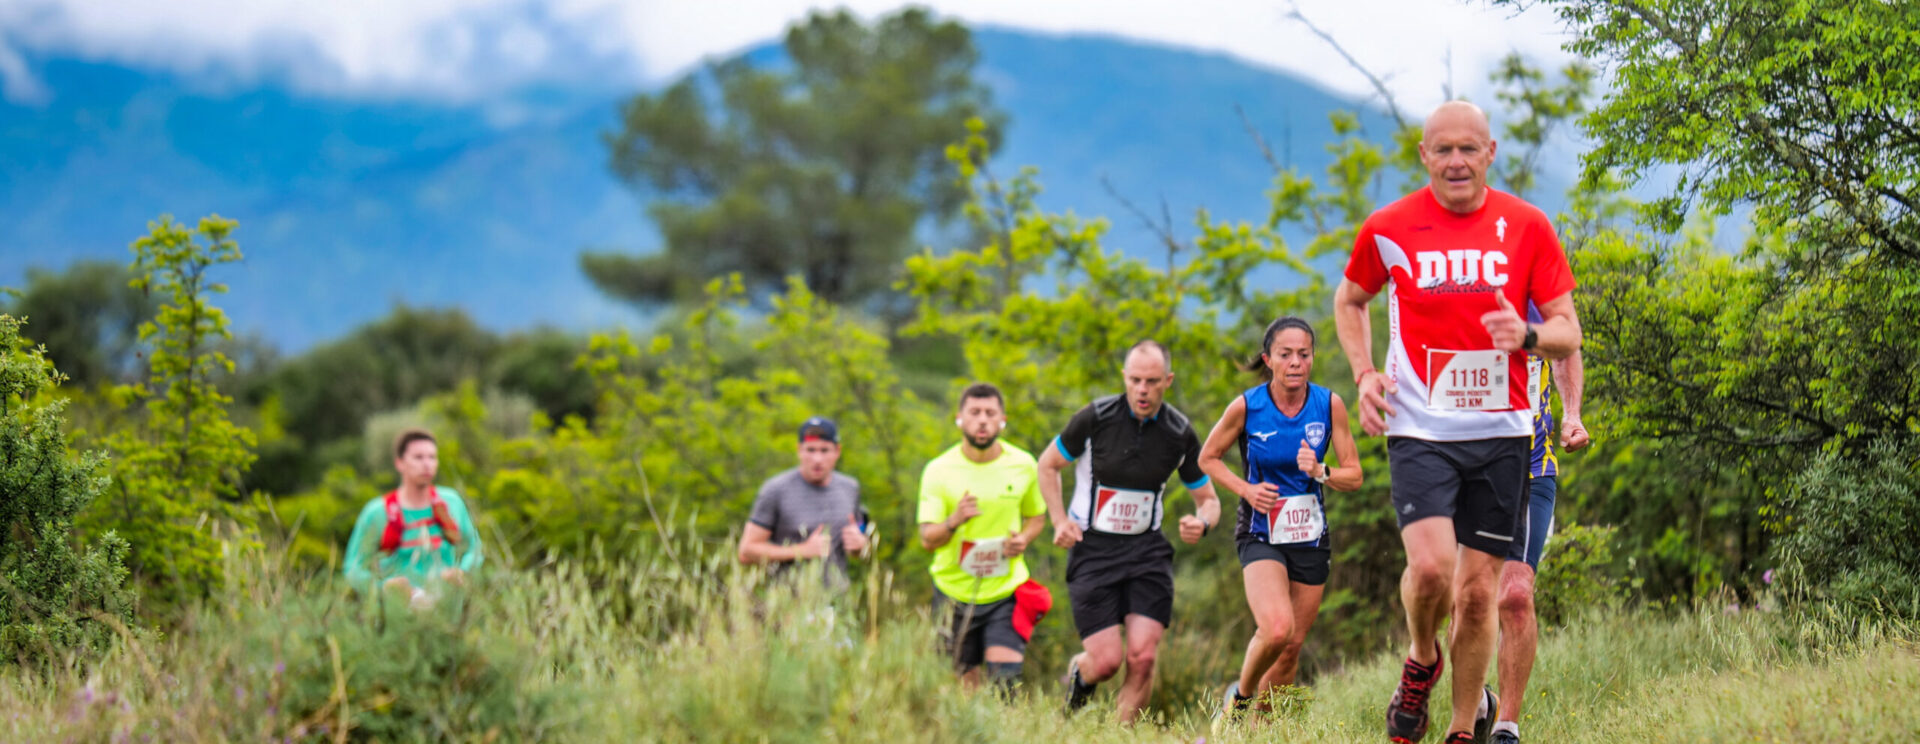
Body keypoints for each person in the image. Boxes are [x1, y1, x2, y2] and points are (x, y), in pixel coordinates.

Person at [1332, 100, 1582, 744]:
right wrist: (1364, 375)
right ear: (1424, 156)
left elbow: (1566, 329)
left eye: (1468, 149)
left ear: (1490, 153)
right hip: (1420, 428)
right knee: (1435, 571)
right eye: (1442, 150)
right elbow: (1350, 299)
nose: (1456, 162)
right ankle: (1422, 656)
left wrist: (1526, 335)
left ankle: (1461, 728)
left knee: (1478, 597)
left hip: (1503, 434)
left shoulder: (1528, 226)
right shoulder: (1389, 227)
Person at [1039, 340, 1222, 724]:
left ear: (1167, 381)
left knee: (1143, 657)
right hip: (1093, 549)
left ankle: (1120, 736)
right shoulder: (1094, 418)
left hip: (1146, 552)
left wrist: (1201, 522)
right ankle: (1075, 694)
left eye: (1152, 381)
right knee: (1106, 662)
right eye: (1135, 380)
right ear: (1124, 378)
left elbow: (1209, 499)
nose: (1142, 389)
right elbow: (1047, 465)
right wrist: (1059, 520)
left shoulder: (1178, 432)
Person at [1197, 316, 1362, 727]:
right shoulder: (1247, 406)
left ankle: (1264, 730)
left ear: (1313, 358)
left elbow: (1354, 475)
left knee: (1291, 647)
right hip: (1260, 532)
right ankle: (1239, 702)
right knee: (1275, 629)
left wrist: (1322, 471)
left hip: (1310, 535)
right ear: (1269, 359)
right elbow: (1207, 458)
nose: (1295, 363)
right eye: (1285, 355)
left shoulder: (1329, 404)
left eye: (1303, 355)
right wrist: (1246, 490)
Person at [917, 383, 1053, 692]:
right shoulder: (939, 470)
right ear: (959, 419)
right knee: (961, 691)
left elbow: (1037, 517)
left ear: (1002, 419)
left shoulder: (1024, 465)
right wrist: (954, 520)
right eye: (974, 413)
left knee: (1005, 684)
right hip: (954, 592)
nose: (982, 420)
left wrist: (1025, 539)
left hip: (1005, 591)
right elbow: (927, 539)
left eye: (990, 413)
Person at [1491, 327, 1588, 744]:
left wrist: (1572, 415)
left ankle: (1506, 728)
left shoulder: (1539, 299)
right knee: (1469, 597)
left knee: (1514, 594)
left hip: (1534, 465)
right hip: (1469, 464)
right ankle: (1476, 701)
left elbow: (1566, 348)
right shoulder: (1459, 283)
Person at [343, 428, 484, 606]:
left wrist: (462, 572)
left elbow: (475, 548)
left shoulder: (451, 502)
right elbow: (353, 567)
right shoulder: (378, 512)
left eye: (432, 457)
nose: (427, 464)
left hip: (446, 610)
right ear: (399, 463)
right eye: (418, 457)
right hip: (398, 613)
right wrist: (383, 587)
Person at [737, 416, 870, 591]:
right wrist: (801, 551)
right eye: (810, 450)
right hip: (789, 604)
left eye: (824, 450)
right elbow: (746, 552)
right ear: (799, 450)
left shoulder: (850, 487)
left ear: (837, 451)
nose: (817, 459)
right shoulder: (775, 489)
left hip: (837, 602)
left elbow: (857, 545)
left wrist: (860, 546)